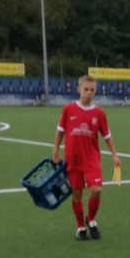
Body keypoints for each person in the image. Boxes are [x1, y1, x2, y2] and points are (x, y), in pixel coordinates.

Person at [52, 75, 121, 241]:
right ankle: (80, 227)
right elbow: (60, 131)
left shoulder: (99, 113)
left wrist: (114, 154)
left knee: (96, 190)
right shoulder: (68, 109)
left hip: (91, 158)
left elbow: (107, 135)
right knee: (77, 193)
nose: (89, 93)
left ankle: (90, 219)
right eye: (86, 89)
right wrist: (55, 151)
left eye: (92, 90)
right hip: (73, 159)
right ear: (78, 89)